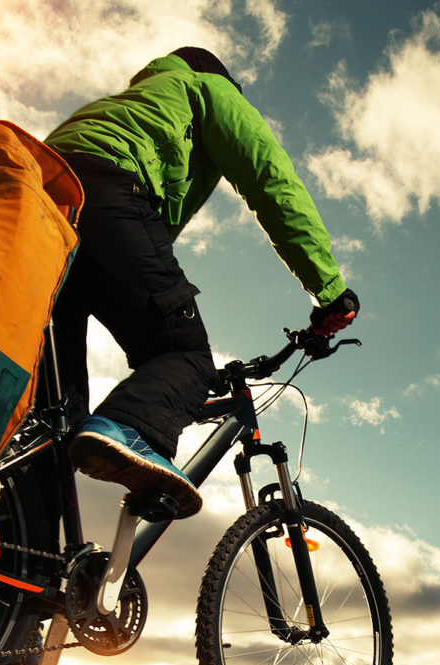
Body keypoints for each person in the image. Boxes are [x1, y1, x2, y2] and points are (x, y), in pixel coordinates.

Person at [45, 46, 360, 519]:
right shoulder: (208, 89)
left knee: (53, 424)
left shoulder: (137, 100)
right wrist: (330, 289)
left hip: (41, 211)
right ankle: (129, 431)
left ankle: (23, 576)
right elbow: (271, 182)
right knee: (183, 355)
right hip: (110, 191)